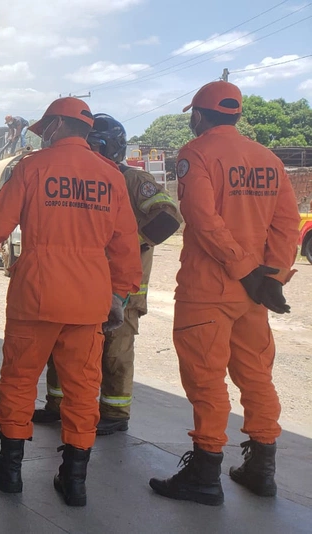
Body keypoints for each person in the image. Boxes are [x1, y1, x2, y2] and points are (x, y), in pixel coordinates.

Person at [0, 97, 142, 507]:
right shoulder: (111, 176)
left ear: (59, 127)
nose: (43, 137)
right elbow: (126, 244)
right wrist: (119, 294)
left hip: (37, 295)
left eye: (46, 130)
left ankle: (9, 470)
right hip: (89, 299)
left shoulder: (33, 167)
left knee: (19, 380)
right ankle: (74, 481)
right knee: (83, 390)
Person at [149, 81, 300, 506]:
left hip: (210, 289)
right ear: (234, 115)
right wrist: (271, 275)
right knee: (256, 374)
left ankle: (204, 473)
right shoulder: (268, 159)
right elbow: (287, 223)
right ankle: (260, 469)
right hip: (253, 294)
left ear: (199, 115)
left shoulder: (196, 154)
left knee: (206, 377)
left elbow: (200, 216)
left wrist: (244, 268)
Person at [33, 113, 182, 435]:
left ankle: (114, 413)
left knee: (114, 351)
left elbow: (168, 218)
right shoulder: (84, 178)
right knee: (64, 347)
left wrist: (127, 244)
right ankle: (58, 404)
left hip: (123, 288)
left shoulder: (133, 180)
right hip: (81, 283)